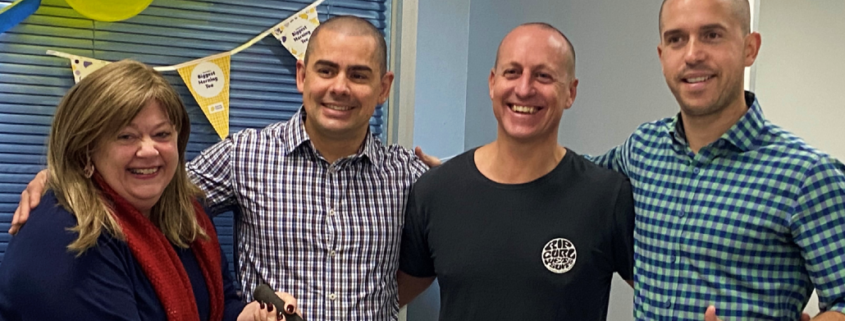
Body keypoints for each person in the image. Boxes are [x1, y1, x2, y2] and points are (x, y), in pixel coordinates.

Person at [9, 16, 428, 321]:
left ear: (384, 89)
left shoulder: (412, 177)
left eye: (358, 74)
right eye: (326, 70)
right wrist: (59, 178)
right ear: (302, 75)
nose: (340, 87)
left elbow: (436, 257)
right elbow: (152, 181)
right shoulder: (245, 155)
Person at [587, 0, 845, 320]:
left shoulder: (807, 176)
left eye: (712, 35)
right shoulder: (642, 149)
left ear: (750, 48)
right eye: (676, 39)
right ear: (662, 56)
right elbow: (567, 177)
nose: (693, 54)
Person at [0, 60, 299, 320]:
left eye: (161, 134)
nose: (148, 150)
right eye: (126, 136)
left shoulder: (188, 216)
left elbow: (218, 307)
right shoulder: (67, 238)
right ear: (84, 150)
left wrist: (249, 316)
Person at [396, 23, 635, 320]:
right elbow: (382, 298)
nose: (524, 89)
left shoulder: (606, 196)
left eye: (543, 76)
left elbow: (662, 297)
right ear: (492, 83)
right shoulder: (437, 191)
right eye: (512, 72)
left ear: (570, 92)